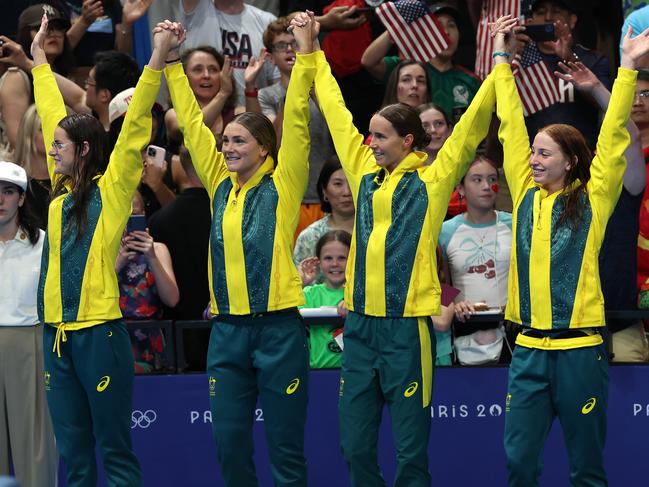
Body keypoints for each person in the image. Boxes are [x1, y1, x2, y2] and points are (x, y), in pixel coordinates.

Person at [291, 10, 496, 486]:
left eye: (380, 136)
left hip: (408, 333)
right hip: (360, 328)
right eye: (370, 136)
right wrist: (310, 47)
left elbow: (469, 130)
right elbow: (337, 112)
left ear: (408, 141)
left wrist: (499, 62)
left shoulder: (434, 177)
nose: (370, 142)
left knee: (410, 453)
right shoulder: (363, 172)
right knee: (354, 446)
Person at [491, 15, 648, 486]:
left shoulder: (594, 197)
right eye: (533, 153)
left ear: (571, 161)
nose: (533, 160)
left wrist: (626, 69)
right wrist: (501, 59)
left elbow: (616, 134)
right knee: (519, 463)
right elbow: (508, 124)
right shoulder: (522, 195)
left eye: (544, 154)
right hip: (528, 352)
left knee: (587, 468)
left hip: (581, 351)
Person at [160, 15, 317, 485]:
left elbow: (295, 120)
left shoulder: (284, 184)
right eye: (225, 141)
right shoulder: (219, 186)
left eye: (238, 141)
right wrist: (171, 61)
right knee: (230, 447)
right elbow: (191, 122)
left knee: (286, 452)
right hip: (226, 333)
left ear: (265, 148)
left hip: (279, 332)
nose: (227, 148)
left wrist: (305, 54)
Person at [31, 10, 169, 485]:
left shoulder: (110, 192)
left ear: (84, 150)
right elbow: (55, 116)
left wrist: (156, 63)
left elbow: (131, 137)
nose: (51, 151)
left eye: (60, 146)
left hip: (99, 335)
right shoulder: (60, 194)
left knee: (113, 446)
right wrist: (39, 68)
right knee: (73, 450)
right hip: (56, 334)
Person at [552, 62, 648, 363]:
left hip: (619, 324)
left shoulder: (626, 186)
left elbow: (629, 135)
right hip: (565, 327)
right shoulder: (553, 199)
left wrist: (597, 89)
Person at [0, 161, 57, 487]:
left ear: (21, 198)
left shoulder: (43, 244)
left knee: (35, 444)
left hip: (31, 343)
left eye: (8, 192)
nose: (0, 200)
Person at [438, 156, 512, 365]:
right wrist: (453, 304)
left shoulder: (514, 224)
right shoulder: (445, 231)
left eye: (492, 179)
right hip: (464, 327)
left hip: (509, 327)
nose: (487, 186)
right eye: (477, 180)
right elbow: (440, 279)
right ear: (460, 188)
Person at [361, 2, 480, 123]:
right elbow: (369, 61)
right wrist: (397, 27)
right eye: (438, 25)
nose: (446, 32)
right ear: (424, 32)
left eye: (451, 25)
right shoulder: (408, 70)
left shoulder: (471, 80)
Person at [521, 0, 611, 148]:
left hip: (583, 155)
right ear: (531, 21)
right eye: (541, 12)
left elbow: (605, 105)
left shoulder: (593, 60)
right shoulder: (520, 61)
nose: (548, 17)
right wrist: (507, 55)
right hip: (533, 156)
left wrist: (570, 58)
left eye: (557, 11)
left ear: (572, 20)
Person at [180, 0, 277, 106]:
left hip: (250, 115)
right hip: (199, 114)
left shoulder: (267, 21)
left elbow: (277, 81)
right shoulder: (198, 11)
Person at [165, 46, 242, 146]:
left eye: (213, 69)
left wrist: (250, 87)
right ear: (183, 77)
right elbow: (193, 130)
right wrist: (223, 94)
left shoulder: (238, 114)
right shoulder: (173, 115)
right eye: (198, 70)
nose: (206, 75)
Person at [293, 156, 354, 278]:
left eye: (352, 183)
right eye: (338, 184)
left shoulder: (374, 230)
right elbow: (296, 285)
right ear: (324, 191)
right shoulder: (309, 237)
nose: (346, 192)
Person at [299, 230, 351, 369]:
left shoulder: (361, 295)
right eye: (328, 258)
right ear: (319, 262)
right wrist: (299, 283)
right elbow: (284, 315)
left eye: (342, 258)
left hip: (353, 374)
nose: (335, 264)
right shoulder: (309, 294)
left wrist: (353, 303)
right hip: (316, 373)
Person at [13, 105, 52, 229]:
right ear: (29, 134)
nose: (51, 134)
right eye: (42, 129)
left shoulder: (69, 181)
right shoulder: (15, 184)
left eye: (53, 128)